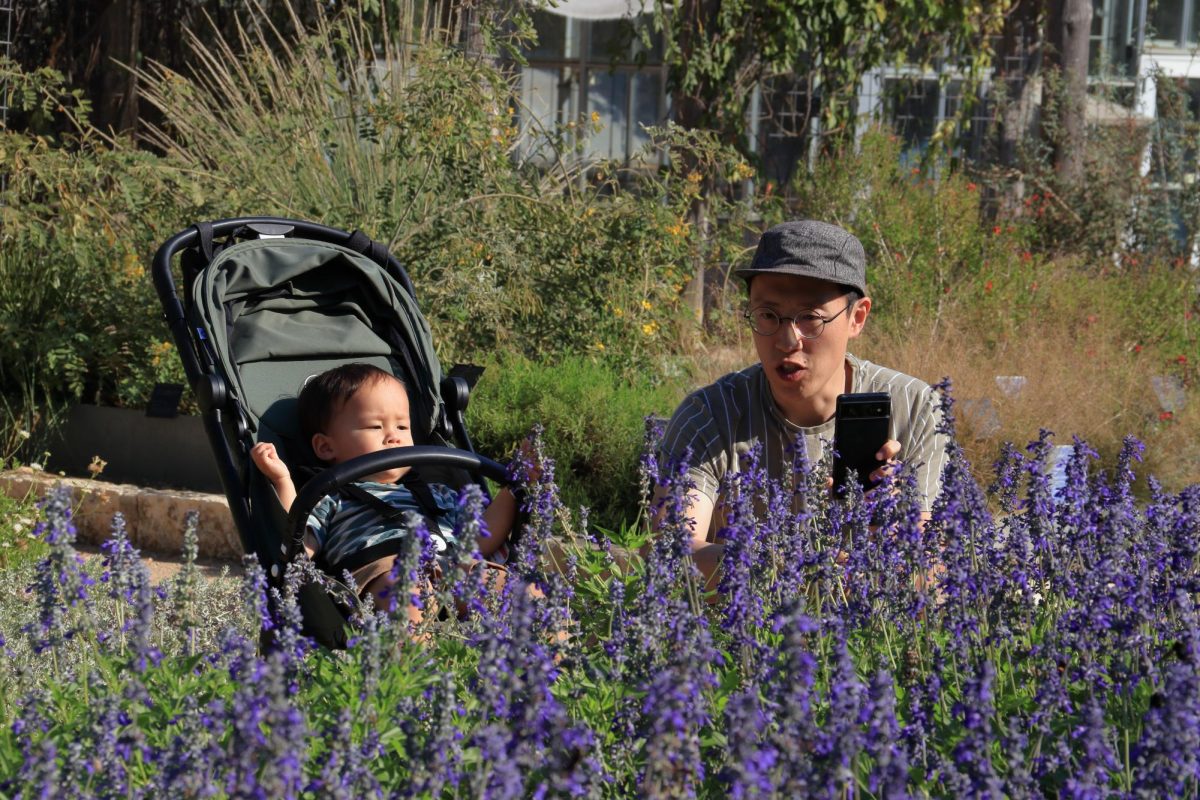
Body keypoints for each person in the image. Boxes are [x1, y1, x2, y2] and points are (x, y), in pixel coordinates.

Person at [655, 219, 948, 583]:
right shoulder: (709, 416)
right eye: (768, 315)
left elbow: (937, 577)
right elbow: (670, 551)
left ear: (857, 318)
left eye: (810, 318)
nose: (786, 340)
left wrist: (896, 526)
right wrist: (791, 569)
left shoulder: (916, 408)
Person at [251, 363, 523, 618]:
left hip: (452, 563)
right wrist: (283, 480)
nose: (394, 436)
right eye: (375, 426)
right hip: (386, 567)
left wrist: (514, 485)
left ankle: (550, 661)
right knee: (406, 594)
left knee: (520, 592)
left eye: (403, 426)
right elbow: (296, 544)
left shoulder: (437, 492)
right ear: (325, 447)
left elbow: (478, 540)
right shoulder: (331, 498)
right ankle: (418, 660)